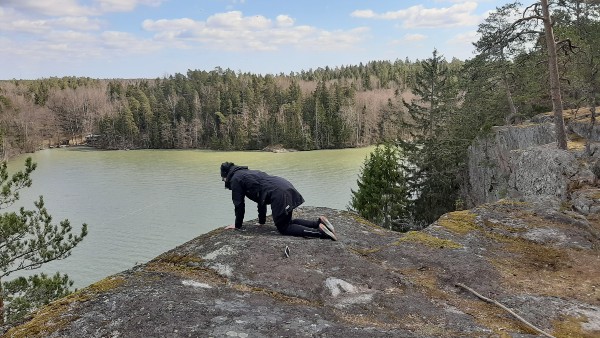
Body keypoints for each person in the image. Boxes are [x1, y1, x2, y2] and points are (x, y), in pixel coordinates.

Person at [220, 162, 337, 241]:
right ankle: (318, 223)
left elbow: (239, 204)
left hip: (279, 193)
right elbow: (261, 199)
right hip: (284, 185)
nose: (224, 181)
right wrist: (262, 222)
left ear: (226, 176)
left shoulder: (235, 179)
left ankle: (320, 233)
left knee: (284, 228)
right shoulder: (247, 174)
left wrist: (237, 225)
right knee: (289, 222)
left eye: (223, 179)